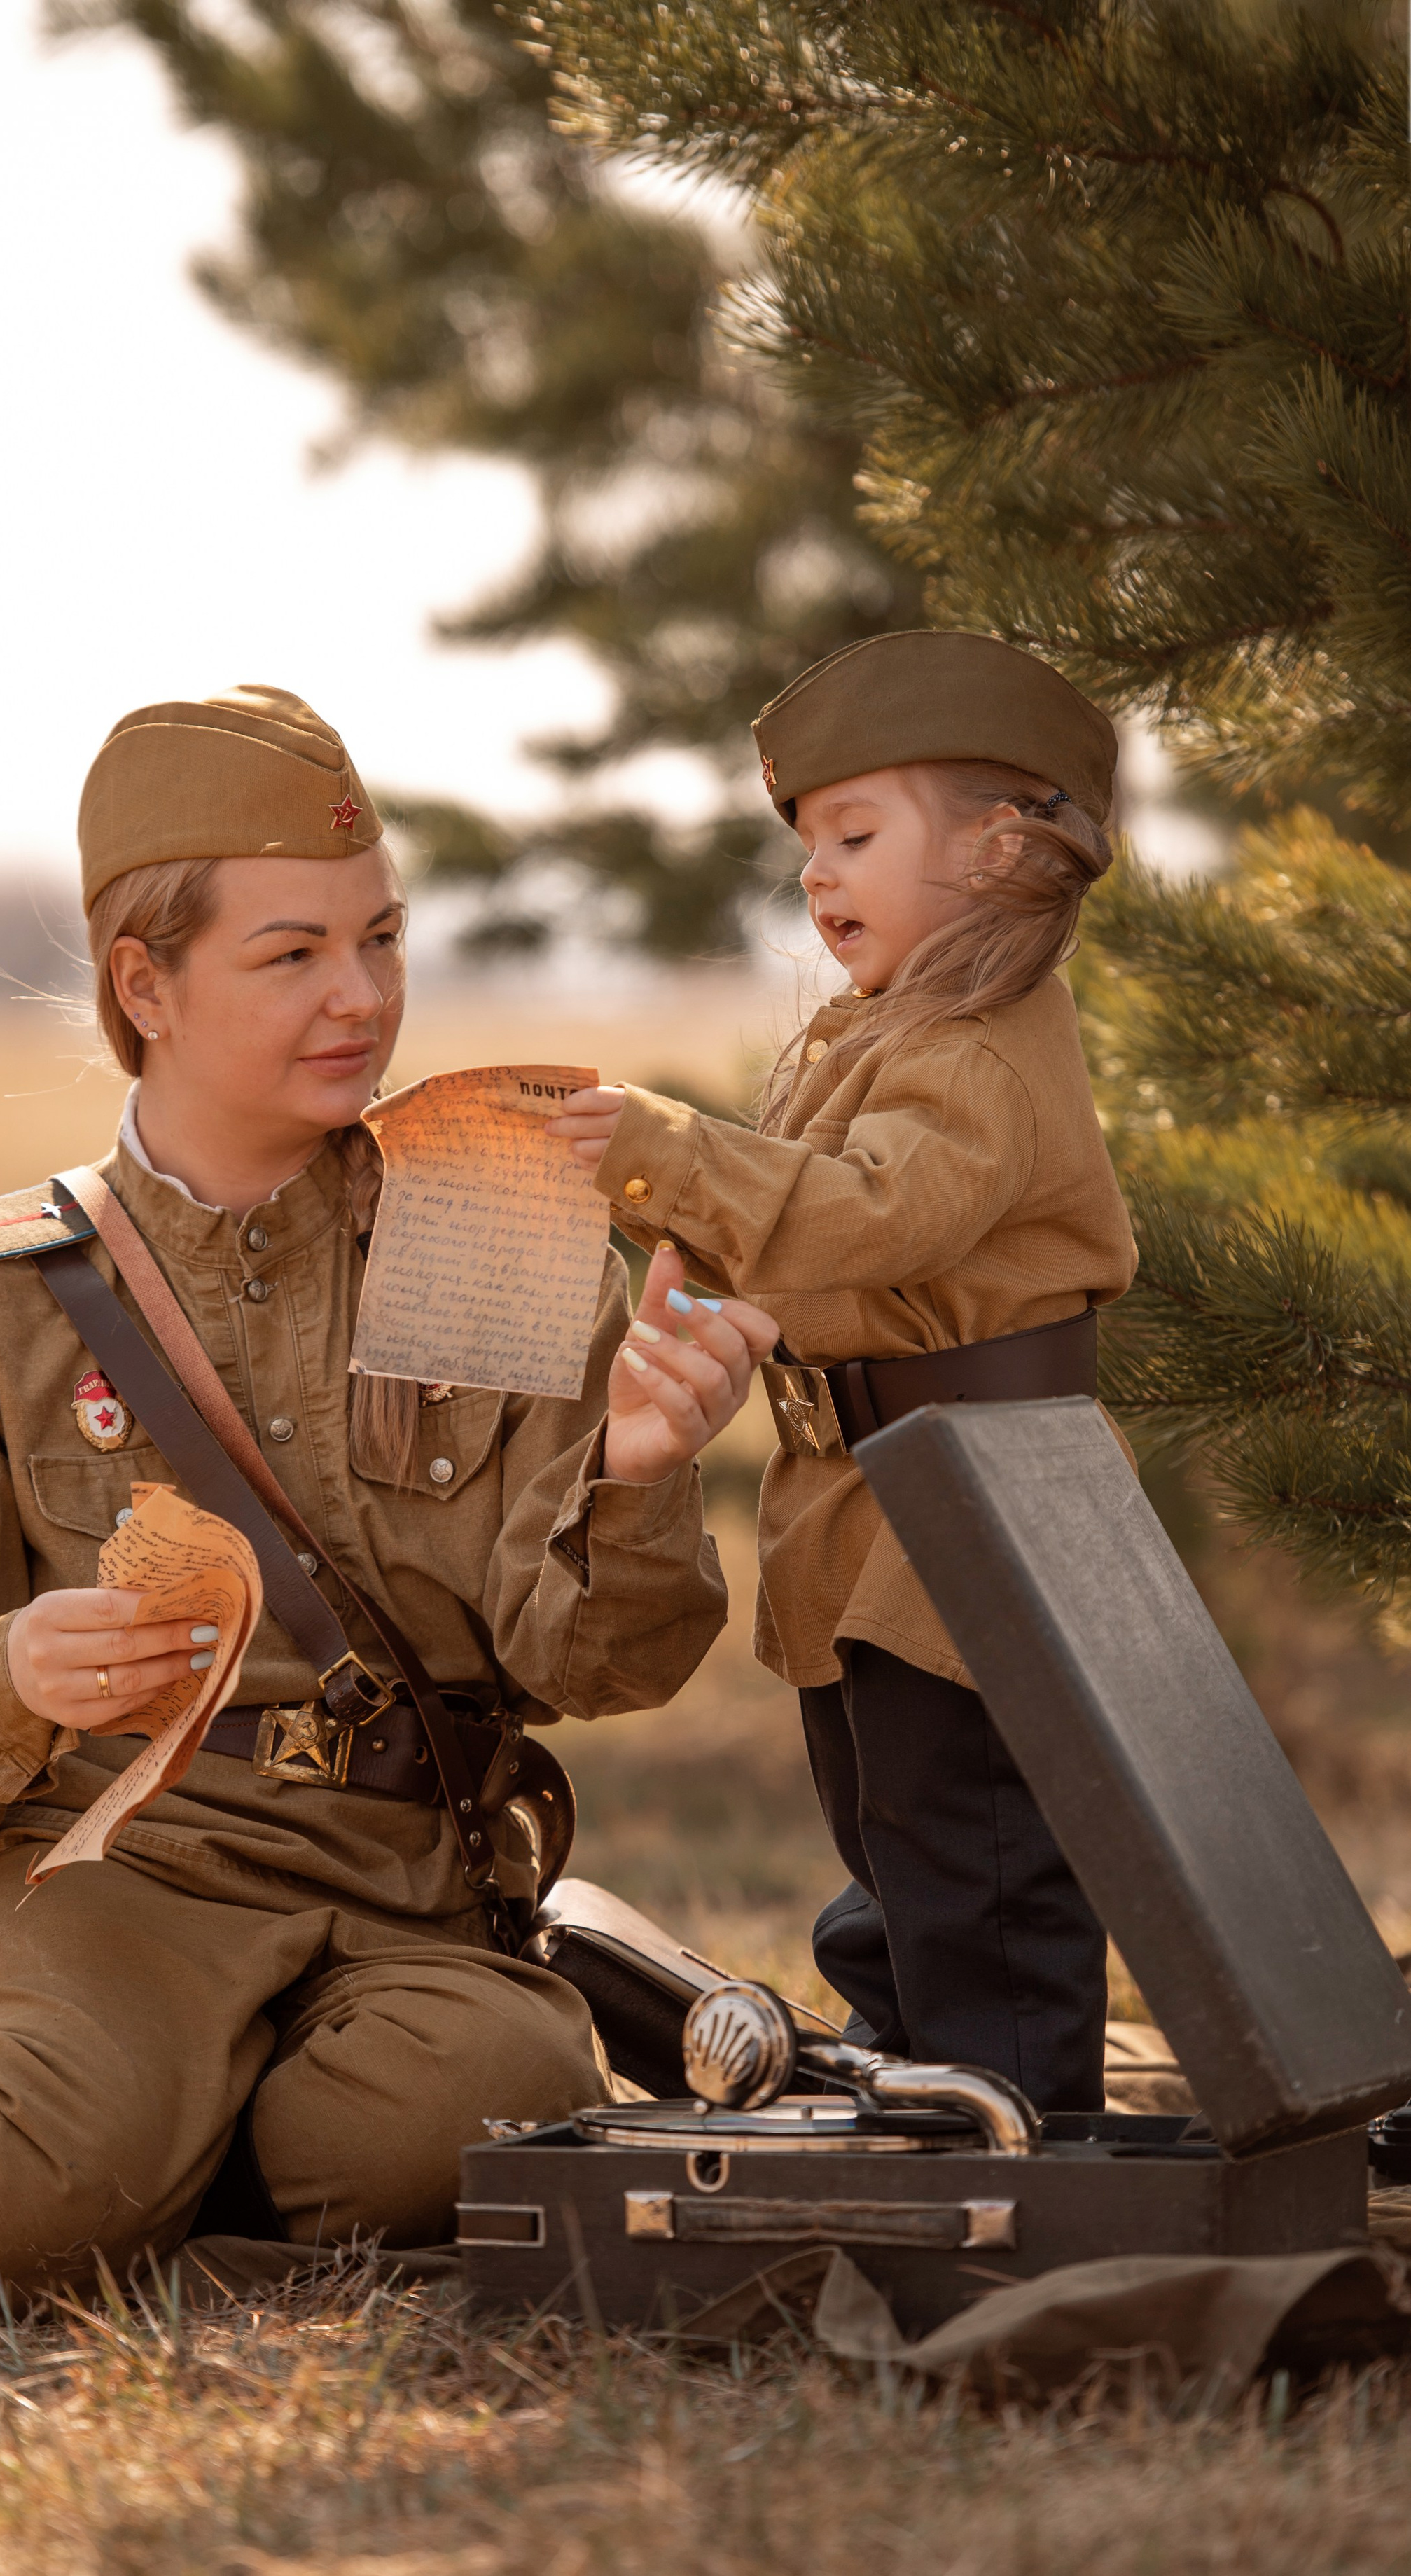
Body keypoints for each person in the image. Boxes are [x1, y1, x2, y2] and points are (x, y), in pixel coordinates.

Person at [0, 684, 774, 2318]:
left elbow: (596, 1665)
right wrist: (7, 1673)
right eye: (291, 953)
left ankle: (130, 2147)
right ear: (143, 984)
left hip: (397, 1893)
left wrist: (641, 1480)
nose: (360, 996)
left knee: (480, 2125)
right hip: (89, 1881)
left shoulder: (491, 1230)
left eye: (380, 937)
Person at [550, 631, 1136, 2117]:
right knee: (885, 1828)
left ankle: (1008, 2134)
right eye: (806, 846)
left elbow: (876, 1212)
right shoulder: (876, 1037)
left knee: (974, 1849)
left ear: (1000, 850)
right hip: (875, 1511)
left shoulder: (980, 1055)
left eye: (854, 836)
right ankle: (917, 2090)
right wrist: (693, 1246)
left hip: (971, 1515)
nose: (815, 876)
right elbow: (814, 1232)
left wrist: (666, 1148)